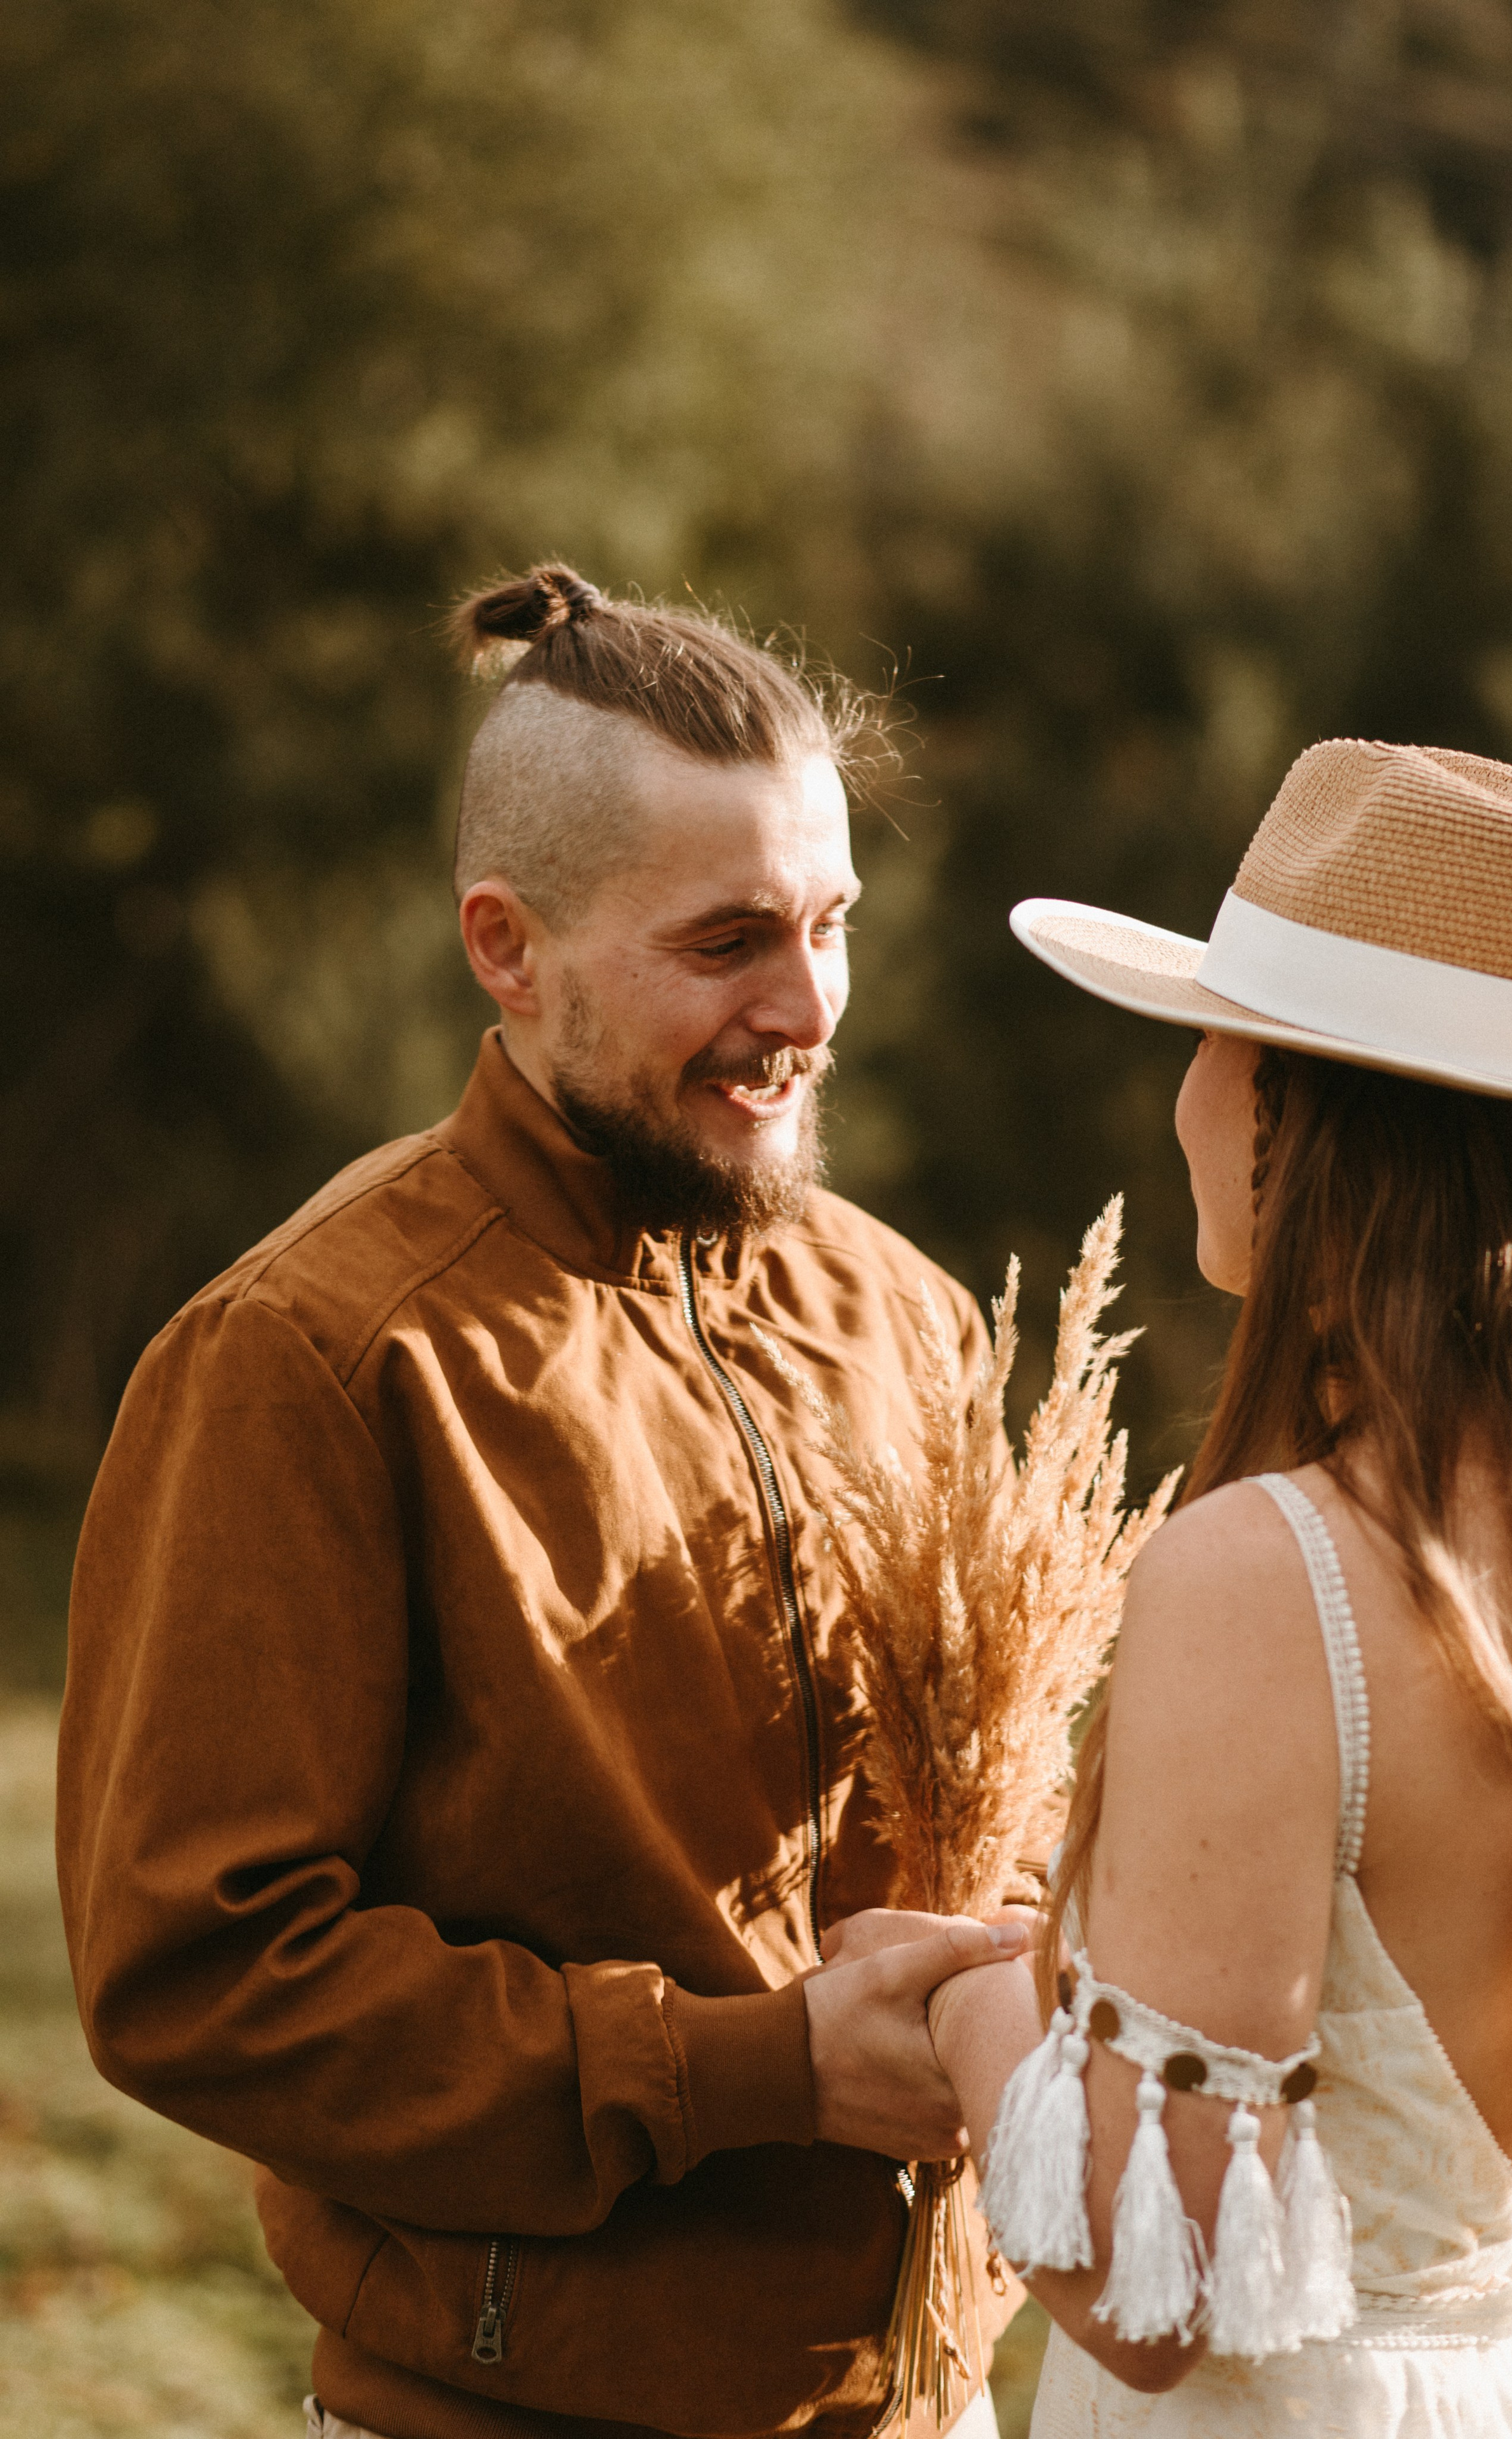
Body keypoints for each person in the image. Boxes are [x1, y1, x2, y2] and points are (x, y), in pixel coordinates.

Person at [55, 567, 1025, 2439]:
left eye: (832, 923)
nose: (808, 1004)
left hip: (929, 2401)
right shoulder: (314, 1356)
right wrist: (757, 2075)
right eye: (729, 940)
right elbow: (201, 1973)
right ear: (509, 947)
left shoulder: (912, 1320)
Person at [924, 738, 1512, 2433]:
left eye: (1216, 1038)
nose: (1188, 1091)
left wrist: (960, 2008)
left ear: (1302, 1107)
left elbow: (1150, 2287)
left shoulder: (1273, 1574)